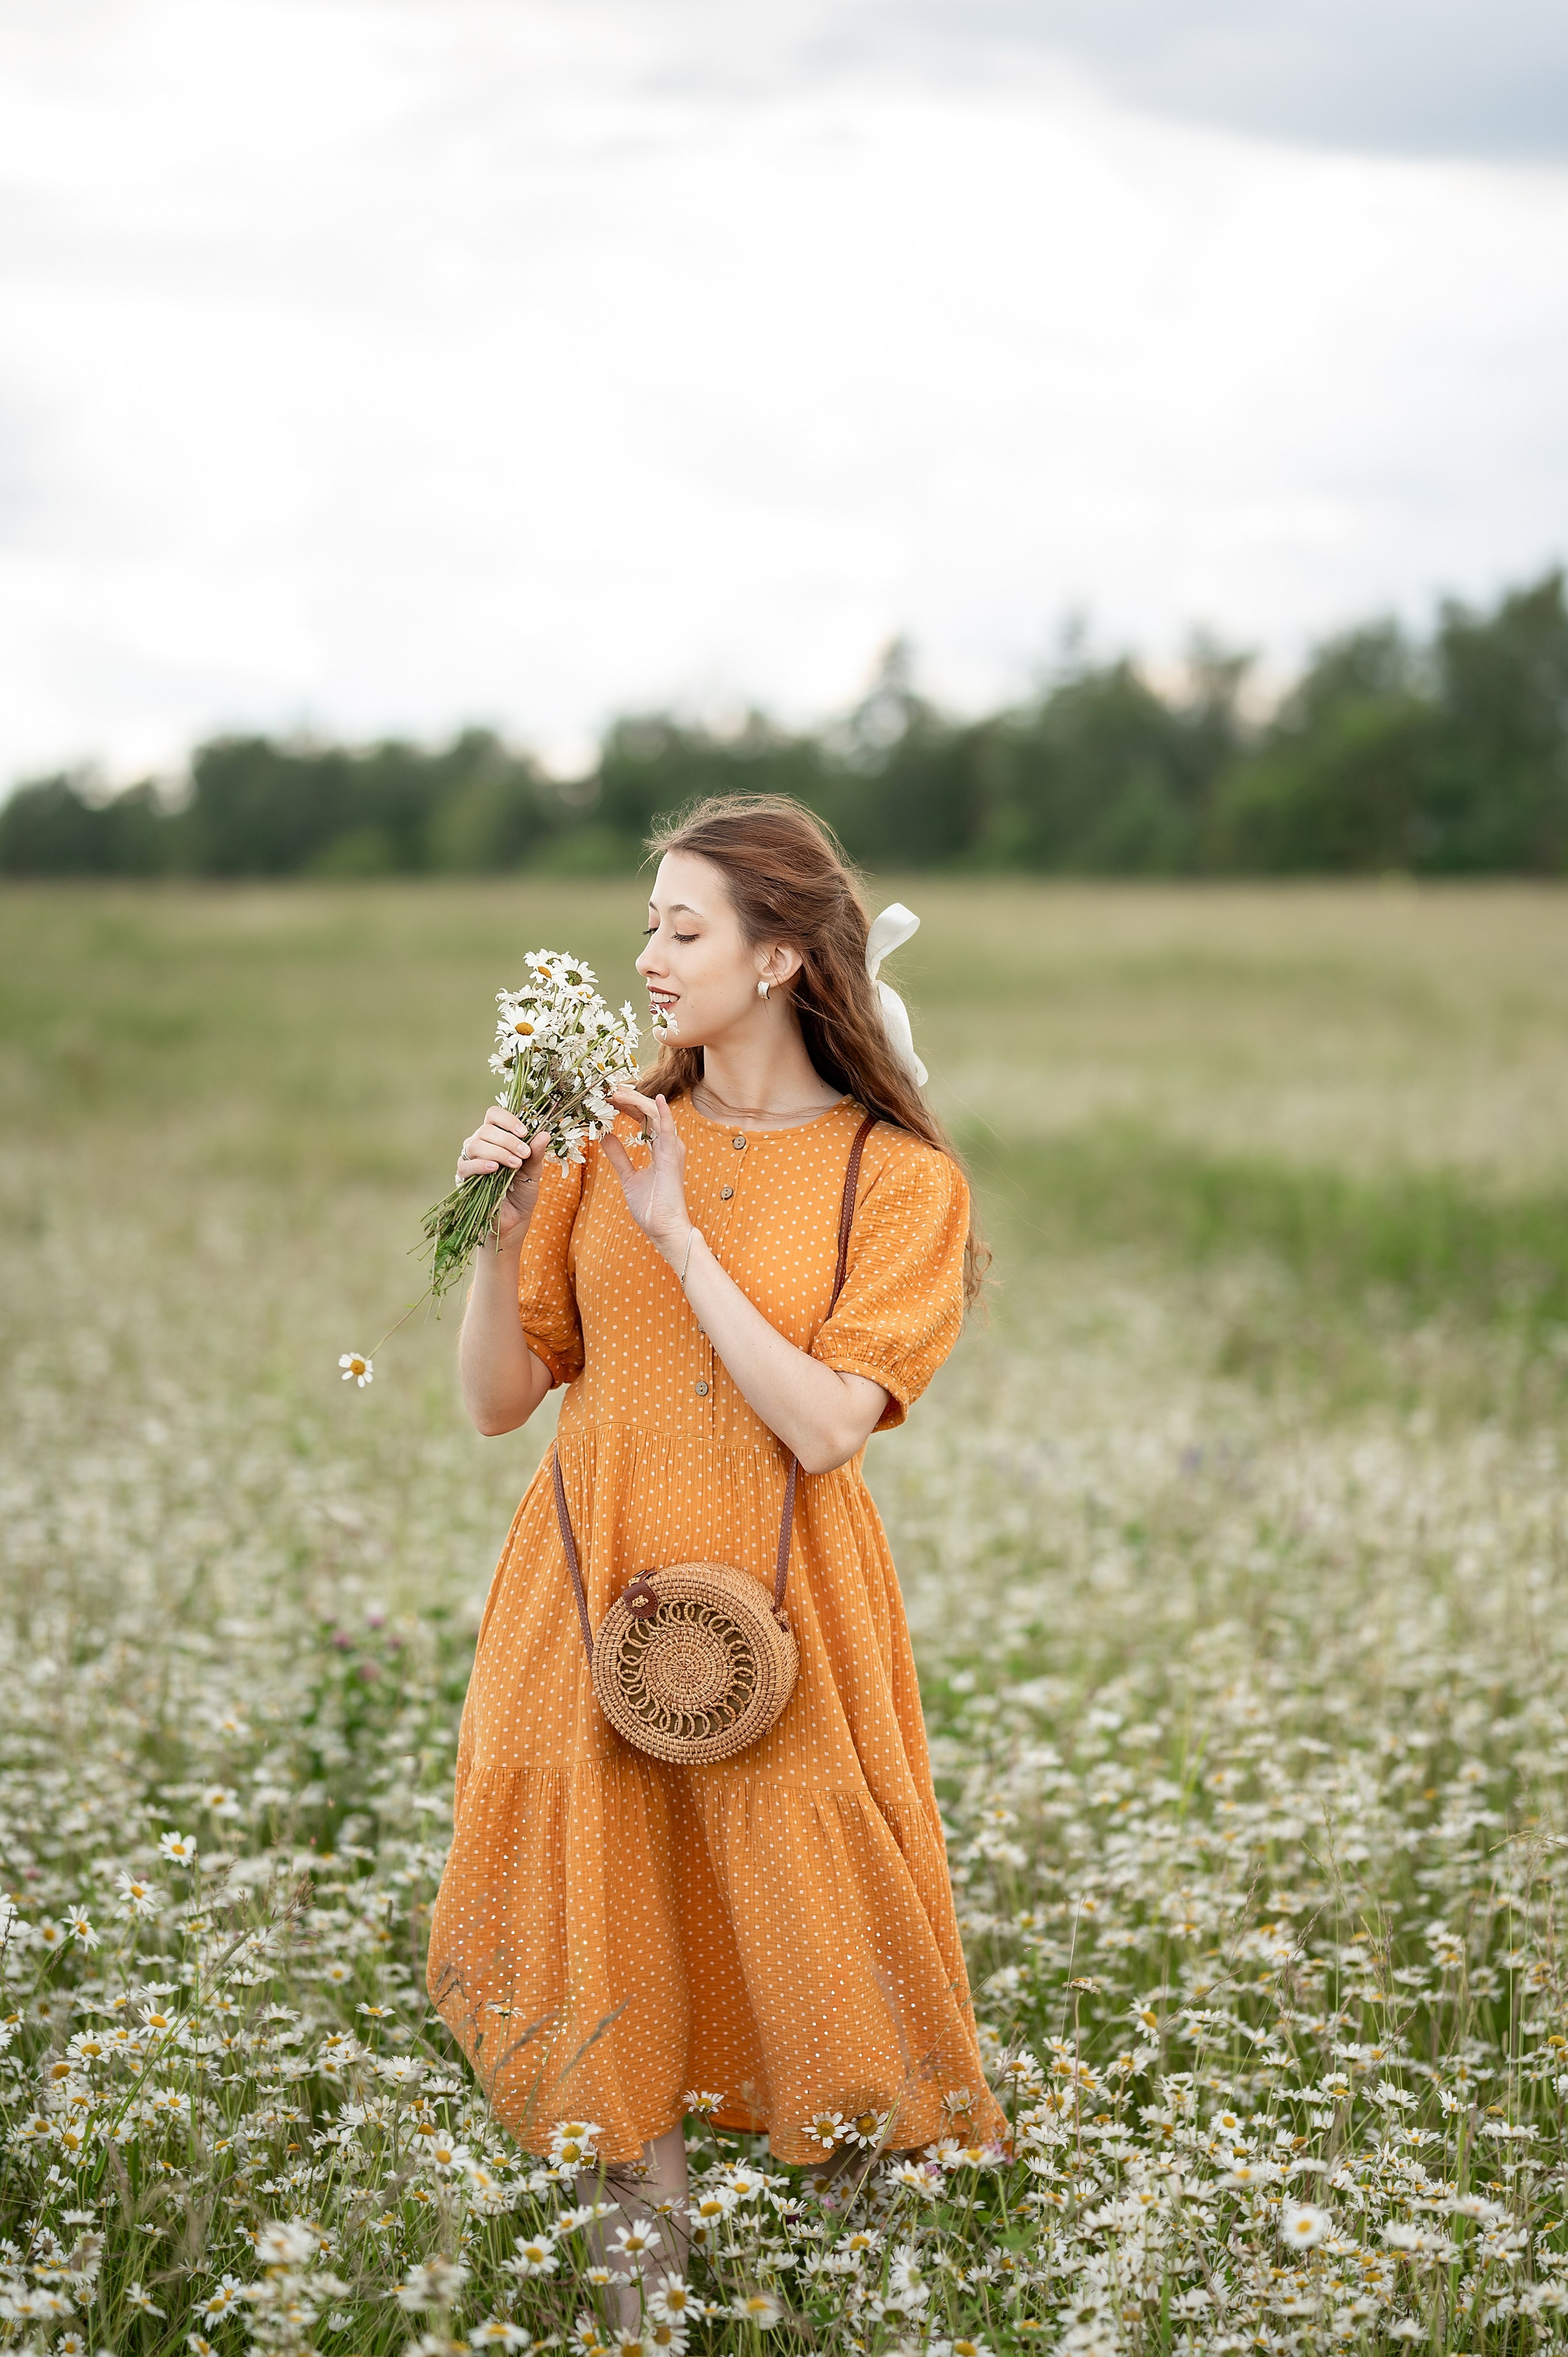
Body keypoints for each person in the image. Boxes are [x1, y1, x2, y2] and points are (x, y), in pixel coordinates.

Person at [426, 794, 1009, 2306]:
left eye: (683, 929)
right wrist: (502, 1227)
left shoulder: (899, 1180)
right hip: (588, 1592)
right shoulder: (601, 1136)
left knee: (824, 1948)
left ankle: (871, 2309)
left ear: (781, 959)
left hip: (787, 1613)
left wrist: (680, 1236)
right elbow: (496, 1402)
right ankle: (642, 2318)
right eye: (647, 925)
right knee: (601, 1963)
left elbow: (825, 1426)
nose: (649, 958)